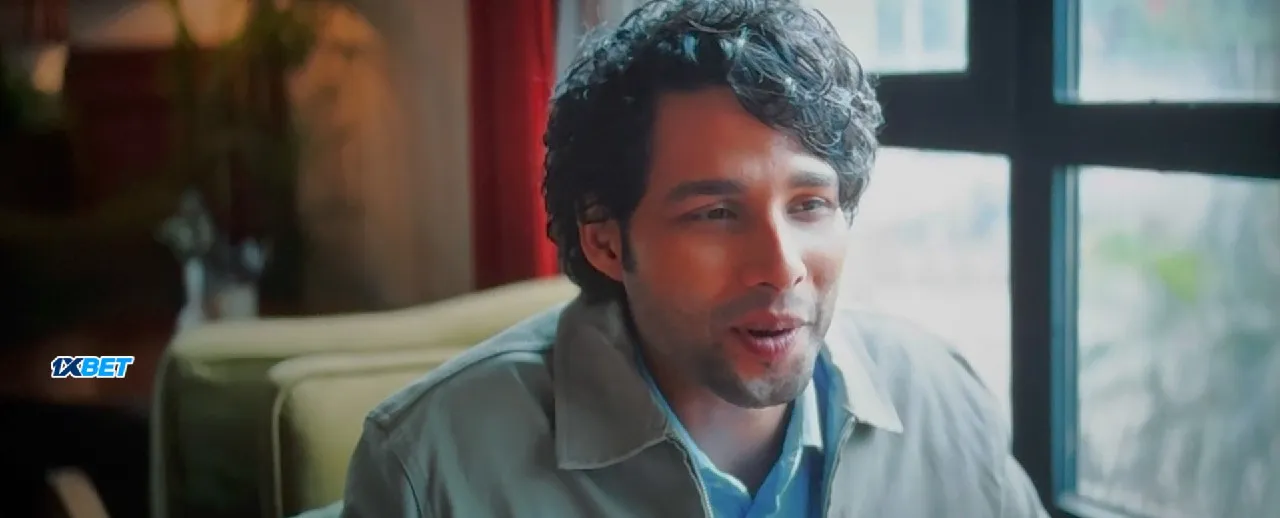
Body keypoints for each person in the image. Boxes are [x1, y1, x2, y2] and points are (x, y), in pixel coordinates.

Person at [340, 1, 1050, 516]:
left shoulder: (943, 399)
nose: (781, 267)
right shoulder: (431, 466)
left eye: (809, 205)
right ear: (606, 241)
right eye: (715, 214)